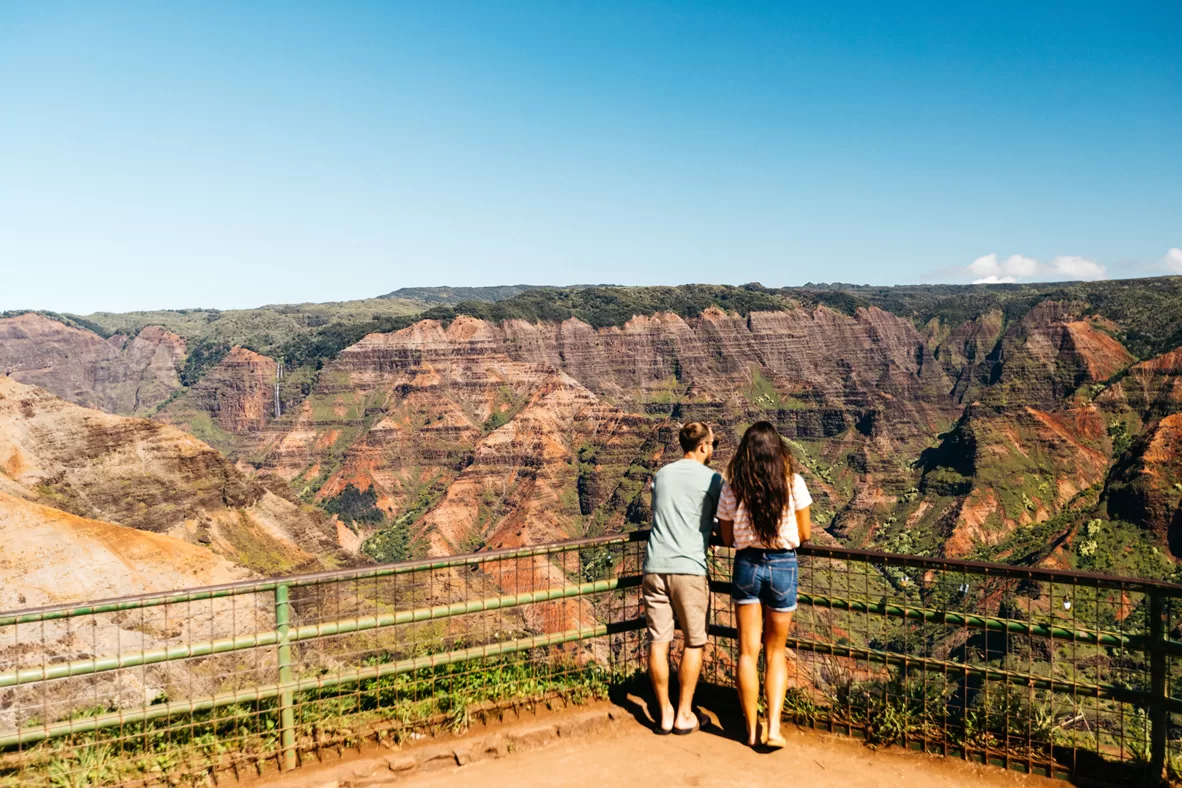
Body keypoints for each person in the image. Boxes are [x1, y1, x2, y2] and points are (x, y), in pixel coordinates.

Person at [716, 421, 812, 750]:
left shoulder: (732, 487)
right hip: (783, 565)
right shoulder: (793, 483)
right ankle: (773, 728)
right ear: (778, 450)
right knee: (775, 652)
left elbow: (727, 537)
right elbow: (805, 534)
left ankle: (750, 730)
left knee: (747, 651)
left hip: (746, 566)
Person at [641, 421, 723, 735]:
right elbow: (722, 519)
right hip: (689, 568)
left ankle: (663, 713)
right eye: (712, 443)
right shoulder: (714, 478)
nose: (713, 449)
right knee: (694, 642)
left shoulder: (661, 475)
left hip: (654, 566)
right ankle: (684, 713)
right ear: (703, 446)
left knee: (658, 642)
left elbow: (666, 512)